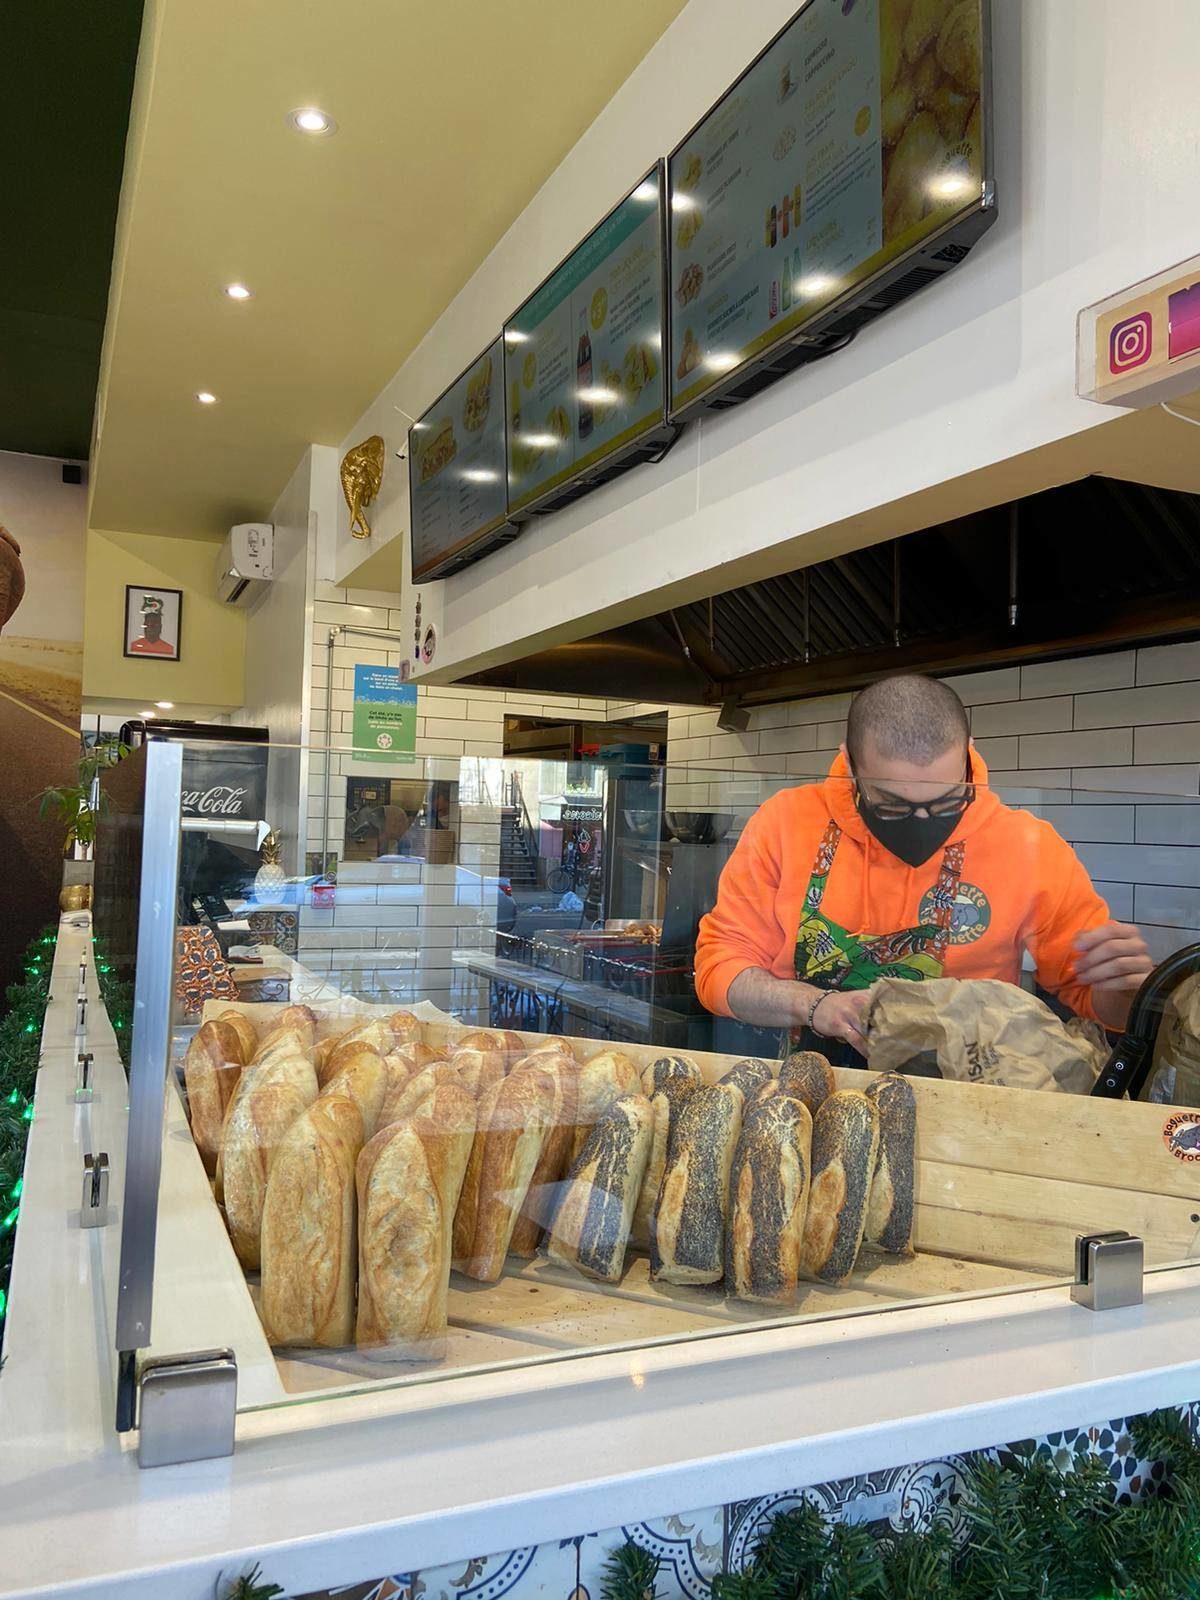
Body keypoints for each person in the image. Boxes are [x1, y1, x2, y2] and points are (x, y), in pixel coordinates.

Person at [694, 673, 1152, 1061]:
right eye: (892, 806)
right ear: (851, 765)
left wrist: (1124, 990)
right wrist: (814, 1005)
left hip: (970, 1088)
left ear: (968, 754)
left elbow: (1096, 1004)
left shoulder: (1029, 845)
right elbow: (718, 968)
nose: (921, 822)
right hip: (815, 1080)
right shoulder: (786, 822)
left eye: (948, 801)